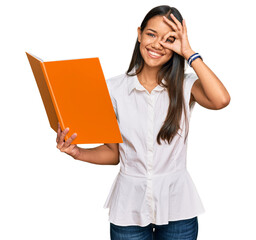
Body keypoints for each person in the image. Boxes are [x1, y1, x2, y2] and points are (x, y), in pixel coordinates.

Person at [56, 5, 230, 240]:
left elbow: (221, 100)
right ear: (139, 34)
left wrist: (189, 53)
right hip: (129, 208)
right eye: (151, 34)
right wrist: (77, 152)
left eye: (169, 39)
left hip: (178, 206)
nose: (158, 44)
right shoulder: (113, 89)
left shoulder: (185, 85)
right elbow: (113, 154)